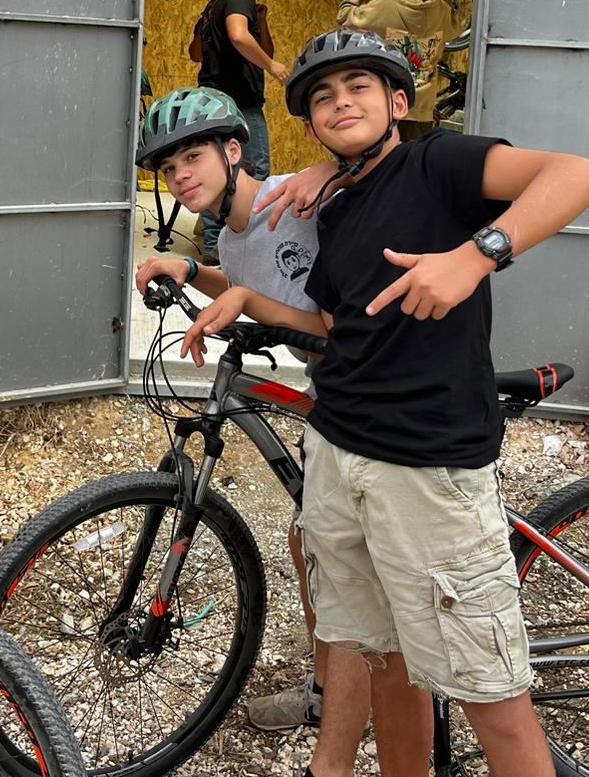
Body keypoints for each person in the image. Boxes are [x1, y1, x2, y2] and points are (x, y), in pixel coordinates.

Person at [179, 29, 589, 777]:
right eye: (323, 97)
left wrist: (477, 256)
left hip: (426, 464)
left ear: (399, 103)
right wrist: (243, 297)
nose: (341, 102)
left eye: (359, 87)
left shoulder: (437, 163)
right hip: (339, 449)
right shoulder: (338, 210)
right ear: (311, 127)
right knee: (386, 665)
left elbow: (579, 174)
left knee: (491, 695)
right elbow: (333, 323)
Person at [132, 87, 400, 756]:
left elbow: (378, 187)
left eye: (193, 157)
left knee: (348, 553)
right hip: (335, 390)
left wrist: (329, 169)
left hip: (384, 390)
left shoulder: (296, 197)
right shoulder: (229, 234)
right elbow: (247, 279)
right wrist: (192, 270)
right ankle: (329, 692)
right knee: (311, 541)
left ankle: (375, 690)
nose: (180, 176)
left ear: (233, 150)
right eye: (168, 168)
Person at [194, 0, 287, 261]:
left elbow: (195, 52)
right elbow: (237, 35)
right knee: (255, 169)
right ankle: (248, 244)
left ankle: (212, 244)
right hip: (239, 103)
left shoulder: (214, 5)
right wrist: (272, 66)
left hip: (212, 99)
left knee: (216, 168)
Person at [335, 0, 460, 139]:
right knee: (416, 157)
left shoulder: (386, 6)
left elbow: (344, 16)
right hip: (423, 112)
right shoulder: (441, 9)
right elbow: (456, 29)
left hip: (390, 106)